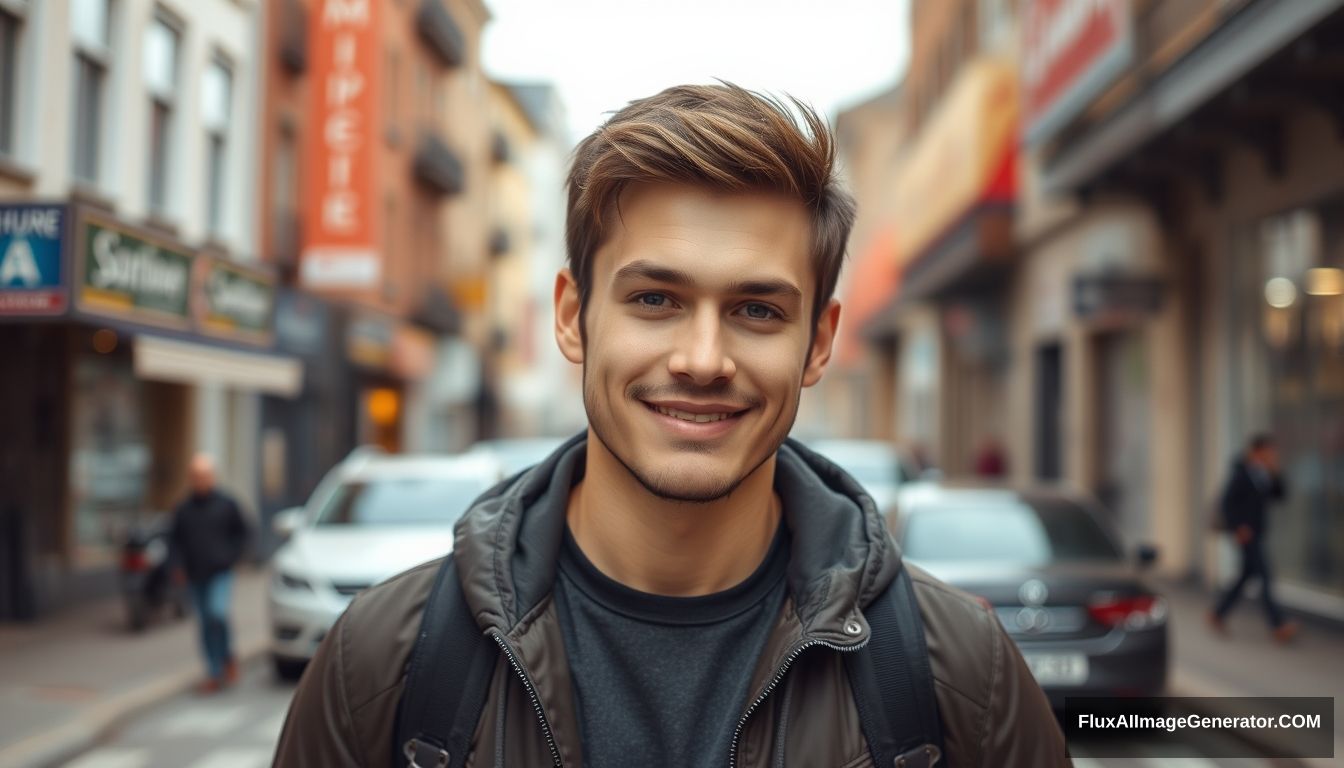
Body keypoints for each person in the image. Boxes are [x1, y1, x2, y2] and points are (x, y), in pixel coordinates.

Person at [275, 84, 1067, 767]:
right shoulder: (385, 662)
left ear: (818, 343)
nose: (702, 358)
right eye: (655, 299)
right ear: (572, 317)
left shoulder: (958, 674)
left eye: (757, 310)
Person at [1209, 434, 1301, 643]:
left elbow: (1280, 495)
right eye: (1269, 452)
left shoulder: (1264, 474)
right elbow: (1227, 503)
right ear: (1256, 452)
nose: (1272, 456)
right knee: (1266, 578)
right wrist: (1238, 527)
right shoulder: (1242, 474)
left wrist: (1275, 473)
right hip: (1247, 535)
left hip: (1258, 532)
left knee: (1245, 577)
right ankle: (1278, 624)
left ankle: (1217, 614)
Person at [170, 453, 250, 692]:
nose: (200, 480)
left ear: (212, 477)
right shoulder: (183, 509)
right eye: (195, 476)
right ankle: (214, 671)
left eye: (204, 475)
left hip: (220, 572)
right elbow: (175, 540)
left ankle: (226, 656)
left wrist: (232, 557)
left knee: (217, 614)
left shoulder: (227, 504)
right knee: (205, 623)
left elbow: (244, 533)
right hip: (195, 574)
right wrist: (177, 566)